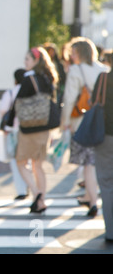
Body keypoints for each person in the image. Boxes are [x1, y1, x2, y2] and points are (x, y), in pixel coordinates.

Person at [6, 47, 59, 214]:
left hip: (28, 128)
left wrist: (7, 124)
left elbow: (17, 103)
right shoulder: (48, 78)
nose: (25, 62)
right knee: (38, 165)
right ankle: (41, 201)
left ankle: (36, 194)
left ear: (36, 61)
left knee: (21, 162)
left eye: (27, 59)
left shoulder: (29, 79)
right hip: (45, 128)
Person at [60, 37, 108, 217]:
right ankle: (89, 195)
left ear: (79, 53)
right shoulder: (103, 69)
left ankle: (93, 202)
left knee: (88, 164)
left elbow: (70, 97)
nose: (71, 56)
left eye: (73, 52)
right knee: (96, 161)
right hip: (102, 121)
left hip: (82, 121)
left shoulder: (76, 70)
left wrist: (65, 121)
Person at [0, 68, 28, 200]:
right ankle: (29, 185)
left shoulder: (10, 92)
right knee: (26, 161)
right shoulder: (30, 92)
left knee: (15, 161)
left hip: (12, 131)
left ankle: (21, 190)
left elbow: (3, 111)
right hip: (27, 130)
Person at [93, 69, 113, 243]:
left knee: (106, 183)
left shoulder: (104, 79)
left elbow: (94, 102)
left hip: (105, 135)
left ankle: (110, 230)